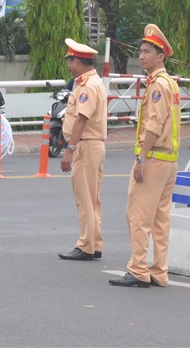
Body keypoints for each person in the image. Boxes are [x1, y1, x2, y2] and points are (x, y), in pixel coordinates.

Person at [109, 24, 181, 289]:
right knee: (160, 220)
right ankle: (158, 271)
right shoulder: (170, 83)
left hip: (153, 158)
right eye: (140, 51)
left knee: (138, 217)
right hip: (168, 161)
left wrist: (141, 157)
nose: (141, 56)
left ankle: (138, 269)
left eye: (147, 51)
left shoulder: (158, 85)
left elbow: (154, 123)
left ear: (160, 56)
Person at [58, 38, 108, 262]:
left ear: (77, 62)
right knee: (92, 197)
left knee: (84, 198)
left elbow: (81, 119)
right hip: (92, 145)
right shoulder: (91, 82)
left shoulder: (87, 86)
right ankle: (94, 242)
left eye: (70, 60)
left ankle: (86, 245)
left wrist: (70, 149)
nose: (69, 65)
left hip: (86, 145)